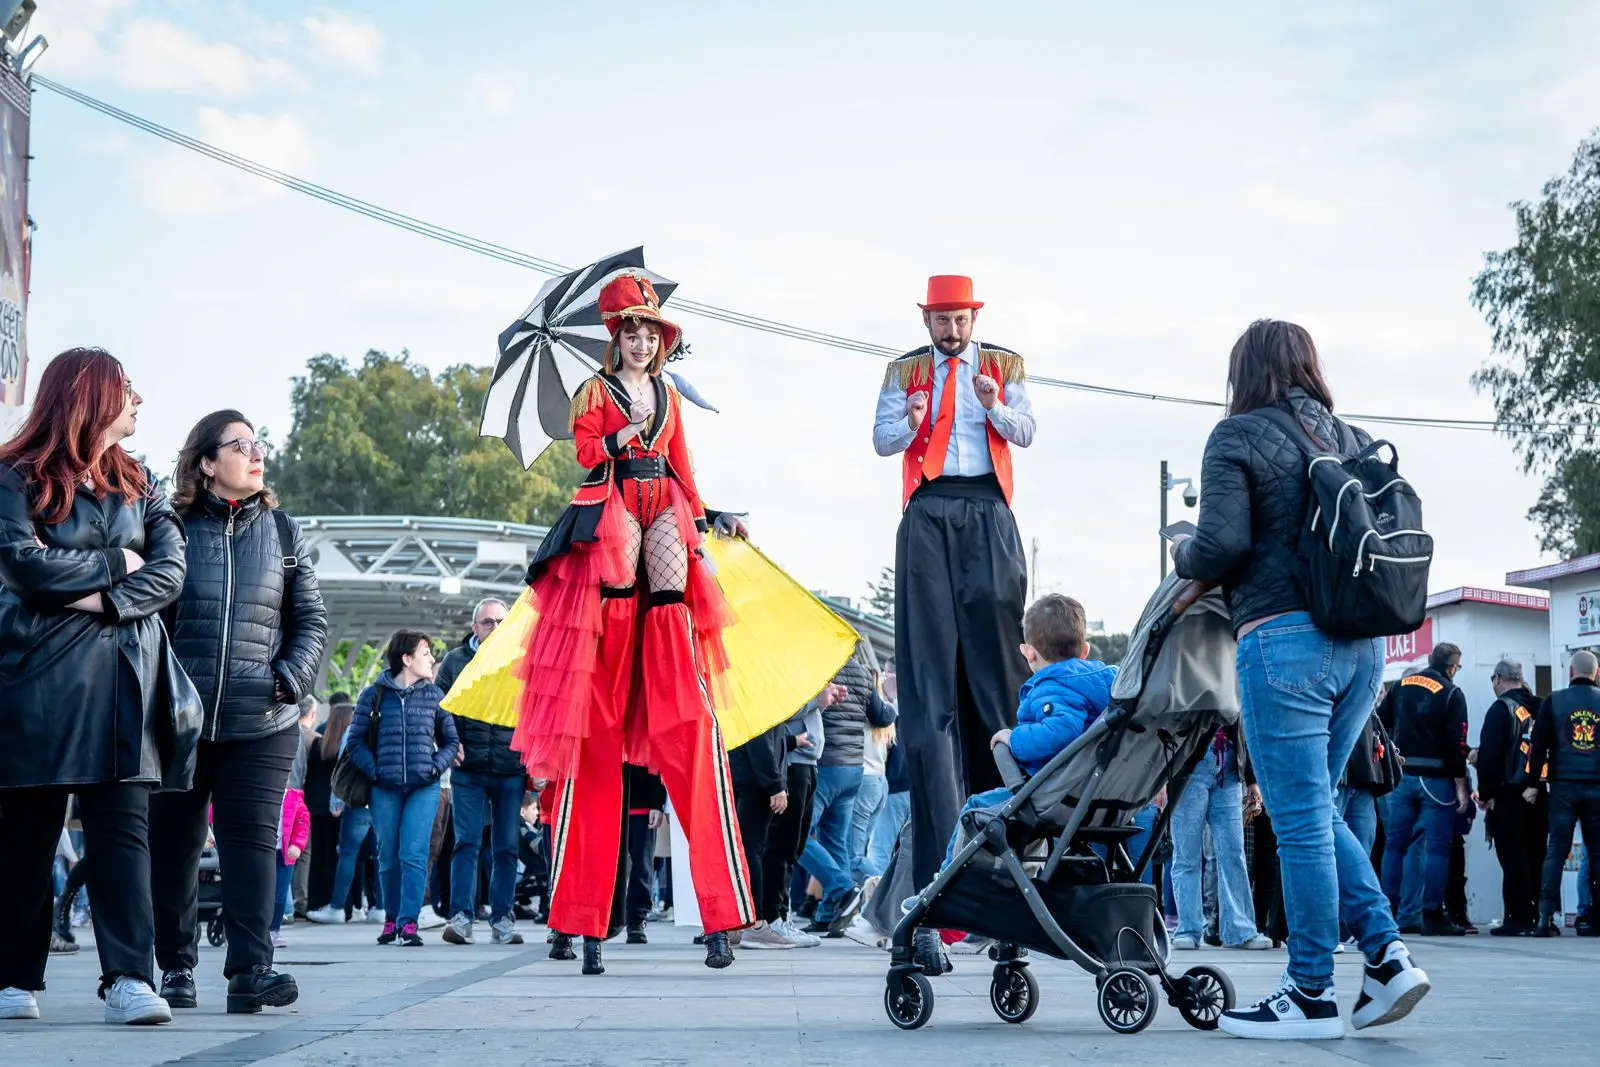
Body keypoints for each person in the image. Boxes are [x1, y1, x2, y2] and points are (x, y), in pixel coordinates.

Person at [469, 274, 755, 975]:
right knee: (592, 749)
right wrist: (616, 435)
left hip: (665, 509)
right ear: (614, 338)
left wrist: (710, 517)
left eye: (649, 331)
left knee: (688, 708)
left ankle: (722, 915)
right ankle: (575, 916)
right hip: (610, 515)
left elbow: (684, 472)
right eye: (629, 330)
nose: (639, 339)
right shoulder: (595, 393)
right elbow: (586, 451)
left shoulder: (671, 398)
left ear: (659, 342)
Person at [1172, 319, 1428, 1040]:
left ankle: (1310, 990)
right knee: (1313, 806)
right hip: (1363, 648)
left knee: (1299, 820)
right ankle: (1386, 954)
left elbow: (1221, 542)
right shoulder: (1347, 437)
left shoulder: (1235, 436)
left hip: (1283, 643)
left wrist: (1183, 556)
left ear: (1244, 371)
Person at [0, 348, 193, 1025]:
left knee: (122, 835)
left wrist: (101, 599)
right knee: (26, 833)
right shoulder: (14, 474)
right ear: (91, 395)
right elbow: (24, 567)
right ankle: (14, 975)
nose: (138, 399)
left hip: (124, 681)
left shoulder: (140, 481)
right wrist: (116, 561)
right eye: (128, 388)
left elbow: (171, 572)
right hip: (36, 681)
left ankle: (129, 979)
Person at [151, 409, 328, 1014]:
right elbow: (149, 618)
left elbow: (310, 619)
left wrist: (290, 677)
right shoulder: (170, 528)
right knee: (174, 844)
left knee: (252, 843)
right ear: (206, 463)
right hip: (180, 718)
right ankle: (175, 966)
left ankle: (251, 970)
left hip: (264, 718)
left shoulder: (283, 531)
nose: (256, 454)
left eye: (259, 444)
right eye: (241, 444)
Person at [873, 275, 1035, 906]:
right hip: (929, 508)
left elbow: (1025, 433)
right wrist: (912, 423)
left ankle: (1012, 841)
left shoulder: (1003, 364)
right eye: (941, 320)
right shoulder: (903, 372)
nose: (951, 329)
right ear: (927, 322)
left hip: (988, 508)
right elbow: (881, 443)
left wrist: (993, 405)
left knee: (997, 674)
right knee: (928, 677)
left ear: (973, 318)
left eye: (960, 318)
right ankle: (939, 862)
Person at [920, 594, 1114, 964]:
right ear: (1085, 649)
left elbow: (1062, 730)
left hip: (1058, 797)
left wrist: (1012, 738)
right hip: (1098, 800)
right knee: (1022, 834)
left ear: (1028, 653)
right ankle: (1008, 916)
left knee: (977, 810)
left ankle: (942, 905)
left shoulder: (1052, 685)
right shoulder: (1106, 687)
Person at [346, 630, 462, 947]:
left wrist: (435, 766)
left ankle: (408, 923)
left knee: (414, 853)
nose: (432, 659)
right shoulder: (373, 695)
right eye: (426, 654)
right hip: (384, 788)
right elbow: (354, 742)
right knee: (387, 857)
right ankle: (391, 919)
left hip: (424, 787)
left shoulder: (435, 696)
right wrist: (376, 771)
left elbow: (451, 741)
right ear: (407, 659)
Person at [437, 597, 528, 948]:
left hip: (510, 768)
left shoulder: (520, 658)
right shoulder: (456, 661)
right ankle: (461, 918)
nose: (495, 628)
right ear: (474, 627)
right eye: (488, 622)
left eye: (501, 622)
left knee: (507, 847)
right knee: (466, 843)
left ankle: (503, 919)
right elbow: (440, 706)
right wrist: (450, 741)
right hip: (469, 768)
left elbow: (532, 707)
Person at [1378, 644, 1472, 936]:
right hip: (1436, 779)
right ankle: (1432, 914)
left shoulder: (1402, 685)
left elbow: (1381, 723)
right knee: (1438, 848)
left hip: (1403, 777)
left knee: (1394, 846)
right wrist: (1460, 784)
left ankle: (1384, 913)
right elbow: (1456, 743)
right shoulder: (1452, 693)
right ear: (1453, 667)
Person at [800, 645, 889, 936]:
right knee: (836, 842)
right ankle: (830, 916)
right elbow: (881, 717)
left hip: (826, 765)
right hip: (854, 769)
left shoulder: (819, 670)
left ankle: (842, 887)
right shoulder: (864, 674)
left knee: (797, 836)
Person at [1170, 723, 1272, 951]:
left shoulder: (1234, 686)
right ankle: (1188, 929)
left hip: (1229, 767)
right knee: (1187, 855)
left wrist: (1251, 779)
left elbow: (1242, 729)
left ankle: (1240, 930)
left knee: (1233, 853)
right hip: (1189, 765)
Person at [1472, 658, 1547, 936]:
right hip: (1539, 793)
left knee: (1513, 858)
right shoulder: (1541, 706)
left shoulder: (1500, 709)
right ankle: (1541, 917)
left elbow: (1490, 757)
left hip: (1508, 796)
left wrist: (1487, 793)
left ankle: (1518, 918)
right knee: (1536, 855)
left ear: (1499, 679)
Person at [1528, 650, 1600, 937]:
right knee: (1597, 853)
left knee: (1556, 850)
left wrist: (1533, 783)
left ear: (1571, 672)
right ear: (1596, 673)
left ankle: (1544, 919)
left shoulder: (1553, 701)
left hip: (1562, 787)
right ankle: (1595, 919)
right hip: (1597, 786)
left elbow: (1538, 745)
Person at [303, 693, 350, 915]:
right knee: (337, 855)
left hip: (315, 805)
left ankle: (314, 900)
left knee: (317, 855)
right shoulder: (348, 744)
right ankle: (338, 902)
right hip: (339, 807)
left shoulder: (318, 741)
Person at [271, 786, 311, 949]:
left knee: (280, 895)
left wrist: (297, 845)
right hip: (263, 852)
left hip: (284, 853)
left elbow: (302, 823)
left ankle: (274, 930)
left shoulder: (294, 798)